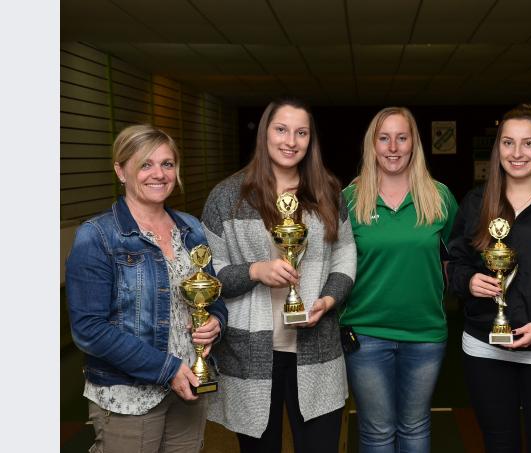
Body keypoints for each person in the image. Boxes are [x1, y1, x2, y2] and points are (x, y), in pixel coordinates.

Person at [201, 98, 356, 453]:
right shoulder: (227, 197)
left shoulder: (328, 191)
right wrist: (256, 271)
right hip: (250, 352)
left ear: (310, 140)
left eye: (301, 132)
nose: (291, 141)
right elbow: (210, 272)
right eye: (281, 130)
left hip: (317, 347)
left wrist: (330, 298)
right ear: (265, 134)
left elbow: (345, 251)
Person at [66, 124, 228, 452]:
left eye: (167, 164)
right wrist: (166, 369)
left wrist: (216, 323)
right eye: (145, 164)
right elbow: (88, 329)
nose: (159, 174)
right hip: (129, 397)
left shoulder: (191, 228)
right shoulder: (97, 236)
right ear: (121, 170)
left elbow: (214, 296)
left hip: (189, 389)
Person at [447, 104, 531, 453]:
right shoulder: (477, 203)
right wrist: (469, 281)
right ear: (498, 149)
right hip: (485, 347)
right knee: (499, 444)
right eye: (508, 143)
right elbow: (454, 262)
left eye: (528, 143)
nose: (517, 153)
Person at [340, 106, 458, 453]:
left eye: (401, 138)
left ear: (413, 144)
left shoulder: (439, 197)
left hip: (425, 334)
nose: (393, 147)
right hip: (366, 335)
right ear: (372, 145)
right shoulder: (350, 199)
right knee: (376, 432)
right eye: (384, 138)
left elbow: (454, 260)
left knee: (415, 426)